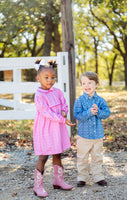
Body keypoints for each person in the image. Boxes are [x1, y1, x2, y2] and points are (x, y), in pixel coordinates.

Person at [33, 59, 75, 197]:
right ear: (38, 78)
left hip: (57, 129)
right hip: (45, 130)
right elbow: (46, 113)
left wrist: (64, 111)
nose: (50, 80)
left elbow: (64, 104)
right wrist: (63, 119)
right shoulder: (39, 95)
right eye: (46, 77)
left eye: (52, 77)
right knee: (43, 156)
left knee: (58, 154)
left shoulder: (57, 92)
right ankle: (37, 186)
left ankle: (58, 181)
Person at [73, 71, 111, 187]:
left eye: (90, 83)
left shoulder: (100, 100)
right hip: (83, 136)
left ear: (96, 85)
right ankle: (82, 177)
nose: (87, 86)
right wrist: (89, 112)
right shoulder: (80, 100)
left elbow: (107, 113)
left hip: (97, 135)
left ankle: (98, 177)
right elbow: (77, 115)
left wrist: (98, 112)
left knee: (97, 157)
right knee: (82, 158)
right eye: (84, 83)